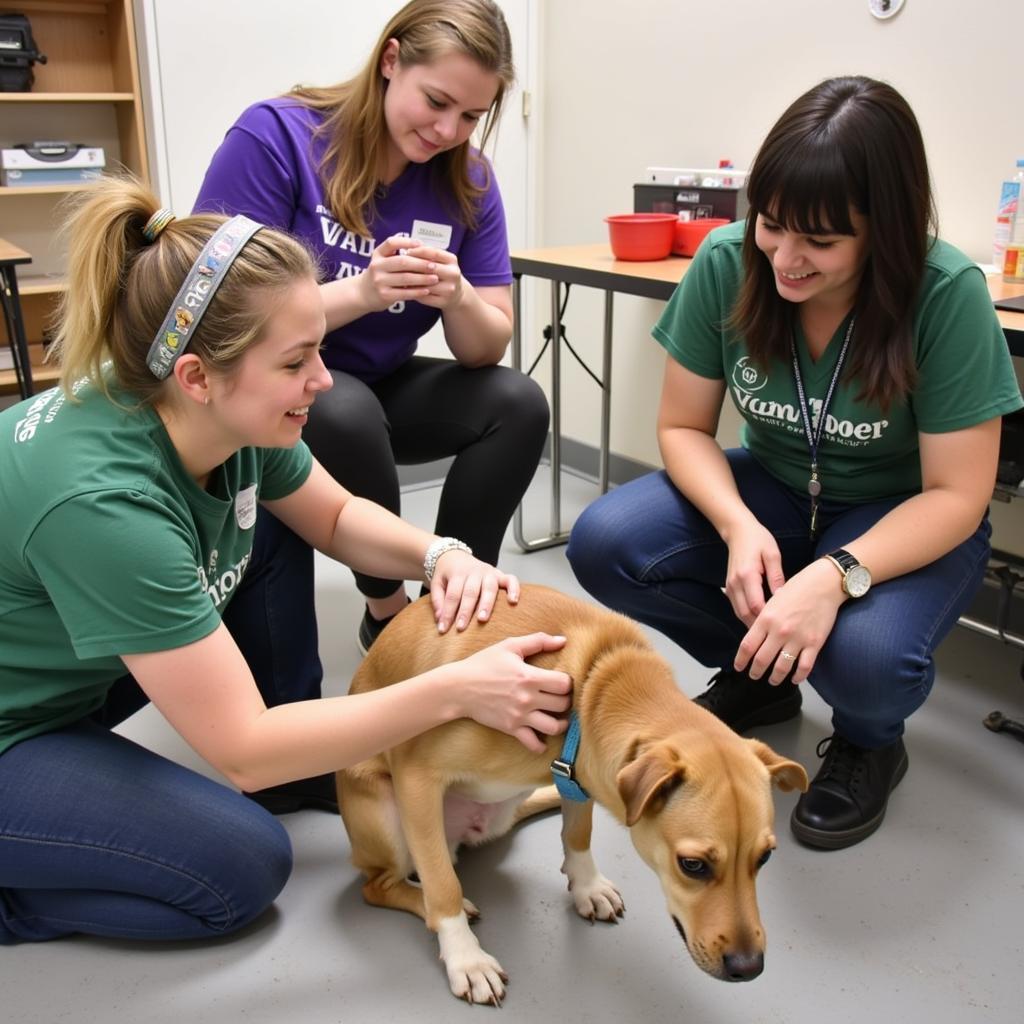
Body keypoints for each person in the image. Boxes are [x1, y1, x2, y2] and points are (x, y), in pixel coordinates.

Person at [0, 177, 573, 944]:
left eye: (320, 351)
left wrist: (441, 556)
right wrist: (456, 691)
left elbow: (333, 515)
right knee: (238, 871)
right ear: (199, 376)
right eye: (298, 360)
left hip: (54, 671)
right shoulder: (108, 510)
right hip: (16, 724)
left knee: (266, 529)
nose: (325, 381)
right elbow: (241, 753)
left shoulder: (186, 403)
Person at [567, 76, 1023, 851]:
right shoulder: (727, 260)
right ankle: (760, 677)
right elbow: (682, 427)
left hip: (901, 515)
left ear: (885, 228)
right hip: (776, 488)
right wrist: (738, 526)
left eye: (820, 240)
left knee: (867, 662)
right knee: (607, 542)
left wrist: (832, 575)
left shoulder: (944, 295)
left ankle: (870, 740)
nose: (786, 258)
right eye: (773, 227)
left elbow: (959, 495)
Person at [192, 0, 548, 661]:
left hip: (383, 380)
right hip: (284, 381)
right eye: (437, 101)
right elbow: (222, 311)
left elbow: (485, 346)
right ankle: (387, 613)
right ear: (391, 61)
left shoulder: (468, 180)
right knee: (345, 409)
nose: (448, 129)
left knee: (518, 403)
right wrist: (362, 292)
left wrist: (459, 295)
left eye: (471, 115)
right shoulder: (279, 136)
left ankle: (458, 602)